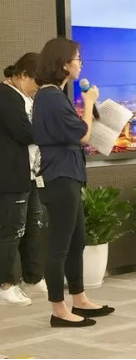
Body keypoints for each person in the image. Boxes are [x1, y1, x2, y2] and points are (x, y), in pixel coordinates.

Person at [32, 38, 114, 327]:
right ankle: (59, 309)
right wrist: (89, 103)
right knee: (60, 245)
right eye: (77, 58)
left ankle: (79, 298)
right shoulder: (51, 97)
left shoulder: (53, 95)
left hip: (68, 173)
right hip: (60, 175)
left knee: (76, 240)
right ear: (64, 64)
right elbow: (81, 134)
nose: (80, 64)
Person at [0, 53, 47, 306]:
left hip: (30, 174)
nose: (38, 87)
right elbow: (24, 133)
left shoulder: (25, 97)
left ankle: (33, 277)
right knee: (11, 231)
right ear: (21, 75)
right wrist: (50, 127)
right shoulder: (6, 95)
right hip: (11, 176)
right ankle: (5, 285)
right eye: (35, 81)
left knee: (32, 228)